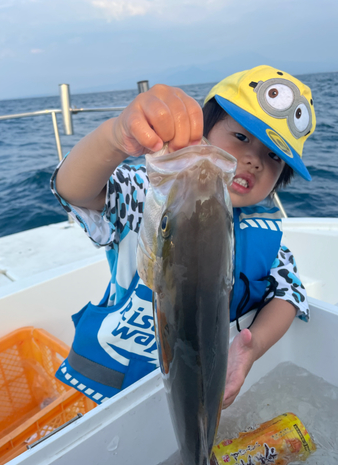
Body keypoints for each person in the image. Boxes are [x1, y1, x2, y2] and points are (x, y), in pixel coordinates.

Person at [51, 65, 316, 408]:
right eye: (241, 137)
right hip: (104, 399)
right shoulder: (152, 196)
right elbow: (75, 191)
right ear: (202, 132)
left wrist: (252, 348)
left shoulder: (271, 248)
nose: (253, 161)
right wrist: (116, 136)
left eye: (274, 156)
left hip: (191, 396)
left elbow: (291, 295)